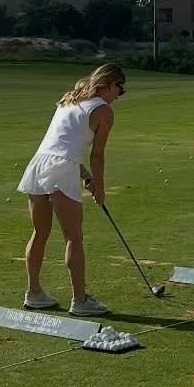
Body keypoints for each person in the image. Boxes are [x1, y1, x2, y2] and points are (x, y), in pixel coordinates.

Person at [19, 63, 126, 316]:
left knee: (40, 232)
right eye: (120, 90)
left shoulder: (70, 99)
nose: (119, 96)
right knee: (74, 237)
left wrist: (86, 176)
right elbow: (97, 154)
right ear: (111, 84)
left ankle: (34, 294)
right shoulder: (104, 111)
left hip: (38, 164)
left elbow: (61, 144)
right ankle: (80, 301)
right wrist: (100, 187)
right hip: (61, 168)